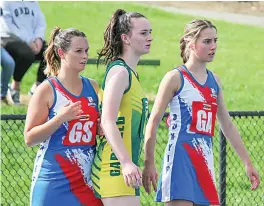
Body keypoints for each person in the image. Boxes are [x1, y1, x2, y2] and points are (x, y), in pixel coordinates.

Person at [142, 19, 260, 206]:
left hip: (205, 164)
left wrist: (247, 162)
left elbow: (227, 124)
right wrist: (149, 162)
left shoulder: (215, 81)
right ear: (190, 42)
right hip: (180, 161)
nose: (213, 46)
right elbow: (153, 121)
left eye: (215, 40)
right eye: (207, 41)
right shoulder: (175, 78)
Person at [24, 27, 103, 206]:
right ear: (62, 53)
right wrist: (60, 118)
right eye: (78, 51)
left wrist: (99, 128)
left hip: (86, 182)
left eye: (86, 51)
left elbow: (92, 128)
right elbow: (29, 138)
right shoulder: (47, 89)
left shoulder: (93, 87)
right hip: (52, 180)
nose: (85, 56)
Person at [91, 9, 152, 206]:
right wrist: (126, 162)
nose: (149, 37)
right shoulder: (120, 72)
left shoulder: (132, 75)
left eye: (150, 32)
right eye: (143, 33)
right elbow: (107, 120)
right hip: (115, 168)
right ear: (125, 38)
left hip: (126, 170)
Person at [0, 1, 48, 104]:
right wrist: (28, 41)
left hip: (32, 40)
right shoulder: (5, 2)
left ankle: (37, 88)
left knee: (50, 52)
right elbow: (9, 27)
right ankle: (14, 87)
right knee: (26, 55)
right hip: (8, 39)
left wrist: (38, 38)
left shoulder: (33, 2)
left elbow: (40, 23)